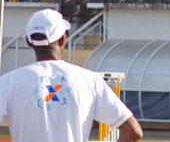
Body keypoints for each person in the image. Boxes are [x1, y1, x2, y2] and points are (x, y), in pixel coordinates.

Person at [0, 9, 143, 142]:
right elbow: (134, 131)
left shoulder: (8, 82)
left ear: (28, 41)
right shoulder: (90, 80)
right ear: (62, 39)